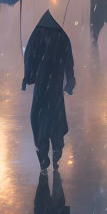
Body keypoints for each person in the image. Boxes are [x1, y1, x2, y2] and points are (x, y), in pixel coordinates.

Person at [23, 10, 76, 170]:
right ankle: (57, 148)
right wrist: (70, 82)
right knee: (56, 116)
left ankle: (43, 153)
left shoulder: (37, 34)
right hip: (55, 85)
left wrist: (29, 77)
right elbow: (69, 62)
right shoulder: (62, 36)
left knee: (39, 118)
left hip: (41, 84)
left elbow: (29, 58)